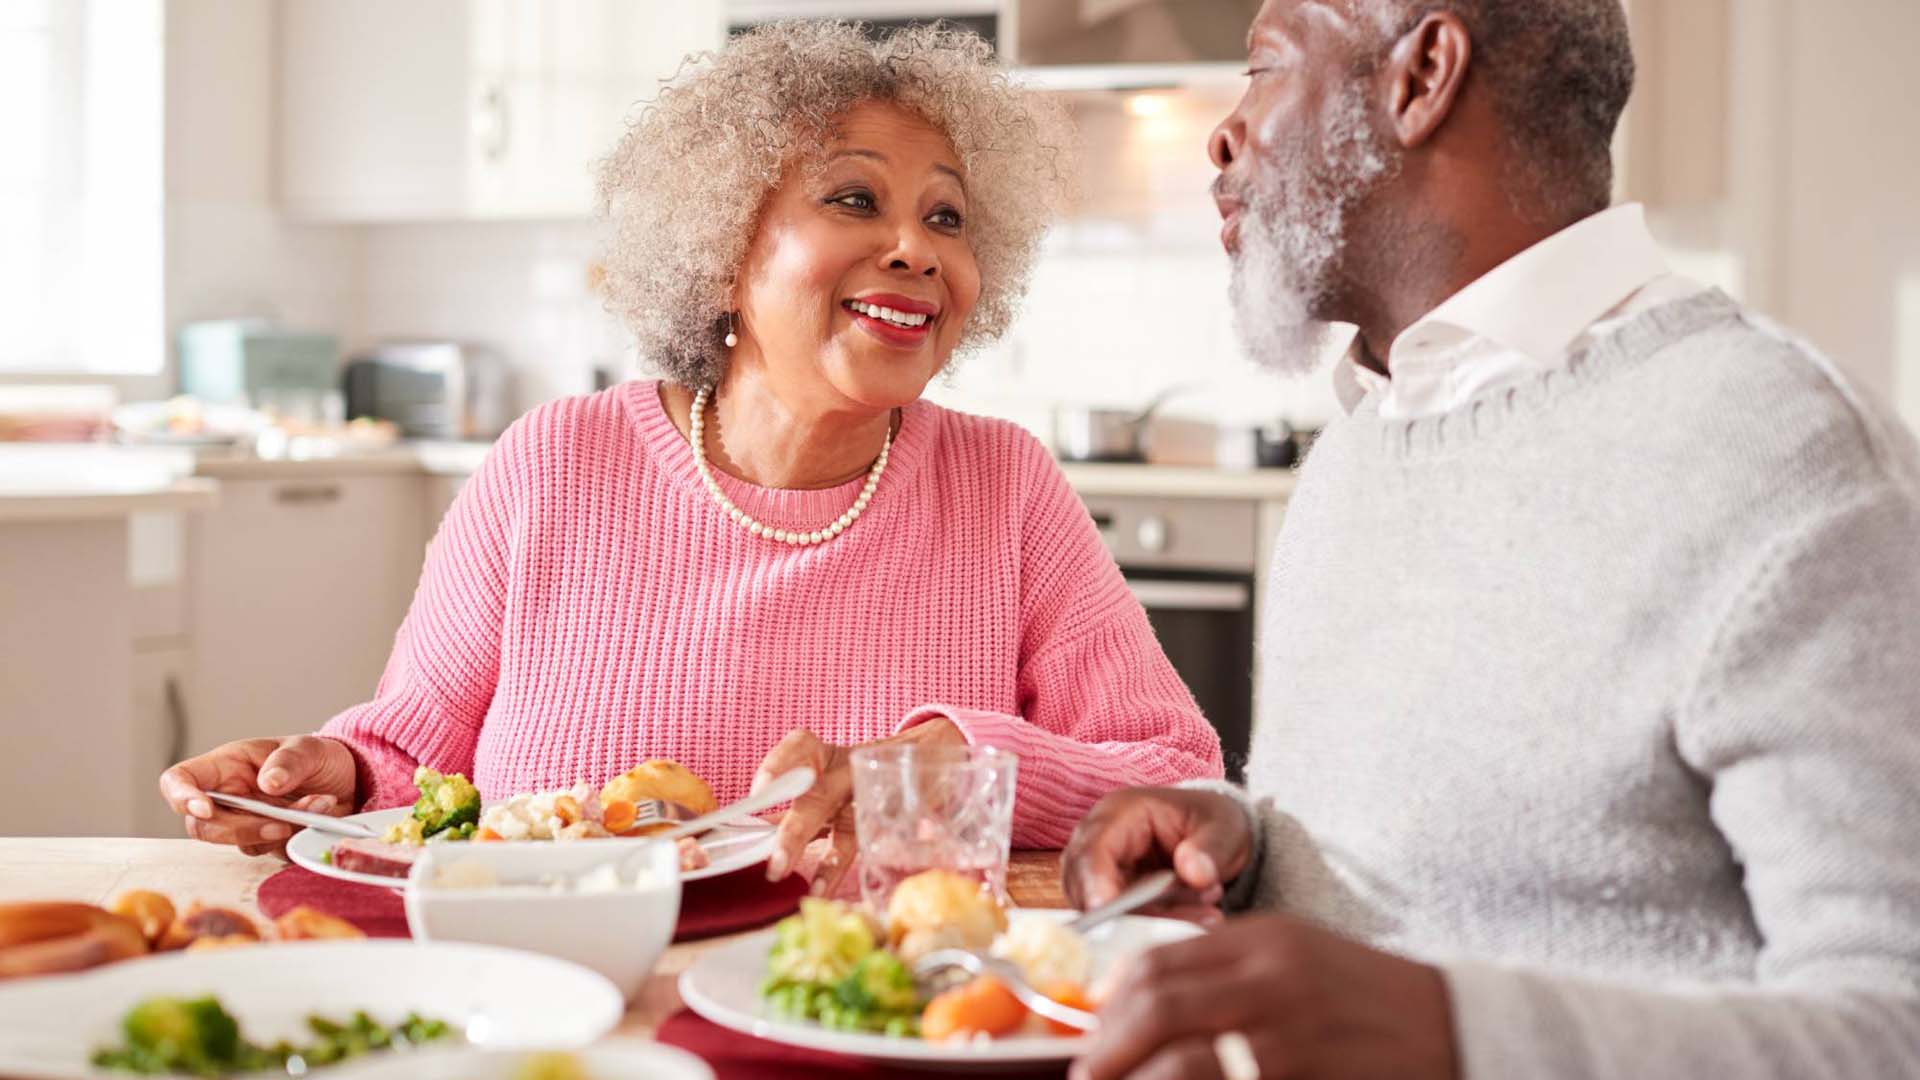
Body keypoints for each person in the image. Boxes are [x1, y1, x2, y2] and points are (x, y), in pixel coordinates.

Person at [159, 21, 1223, 896]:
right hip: (567, 1011)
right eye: (854, 199)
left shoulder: (1005, 488)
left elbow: (1180, 775)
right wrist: (323, 776)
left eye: (947, 216)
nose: (917, 248)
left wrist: (960, 760)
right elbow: (409, 761)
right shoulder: (552, 463)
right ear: (721, 256)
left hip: (864, 1021)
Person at [1064, 1, 1920, 1077]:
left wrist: (1451, 1035)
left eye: (1266, 69)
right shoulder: (1368, 437)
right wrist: (1242, 840)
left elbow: (1894, 1026)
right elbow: (1445, 858)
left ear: (1421, 76)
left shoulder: (1782, 456)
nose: (1224, 134)